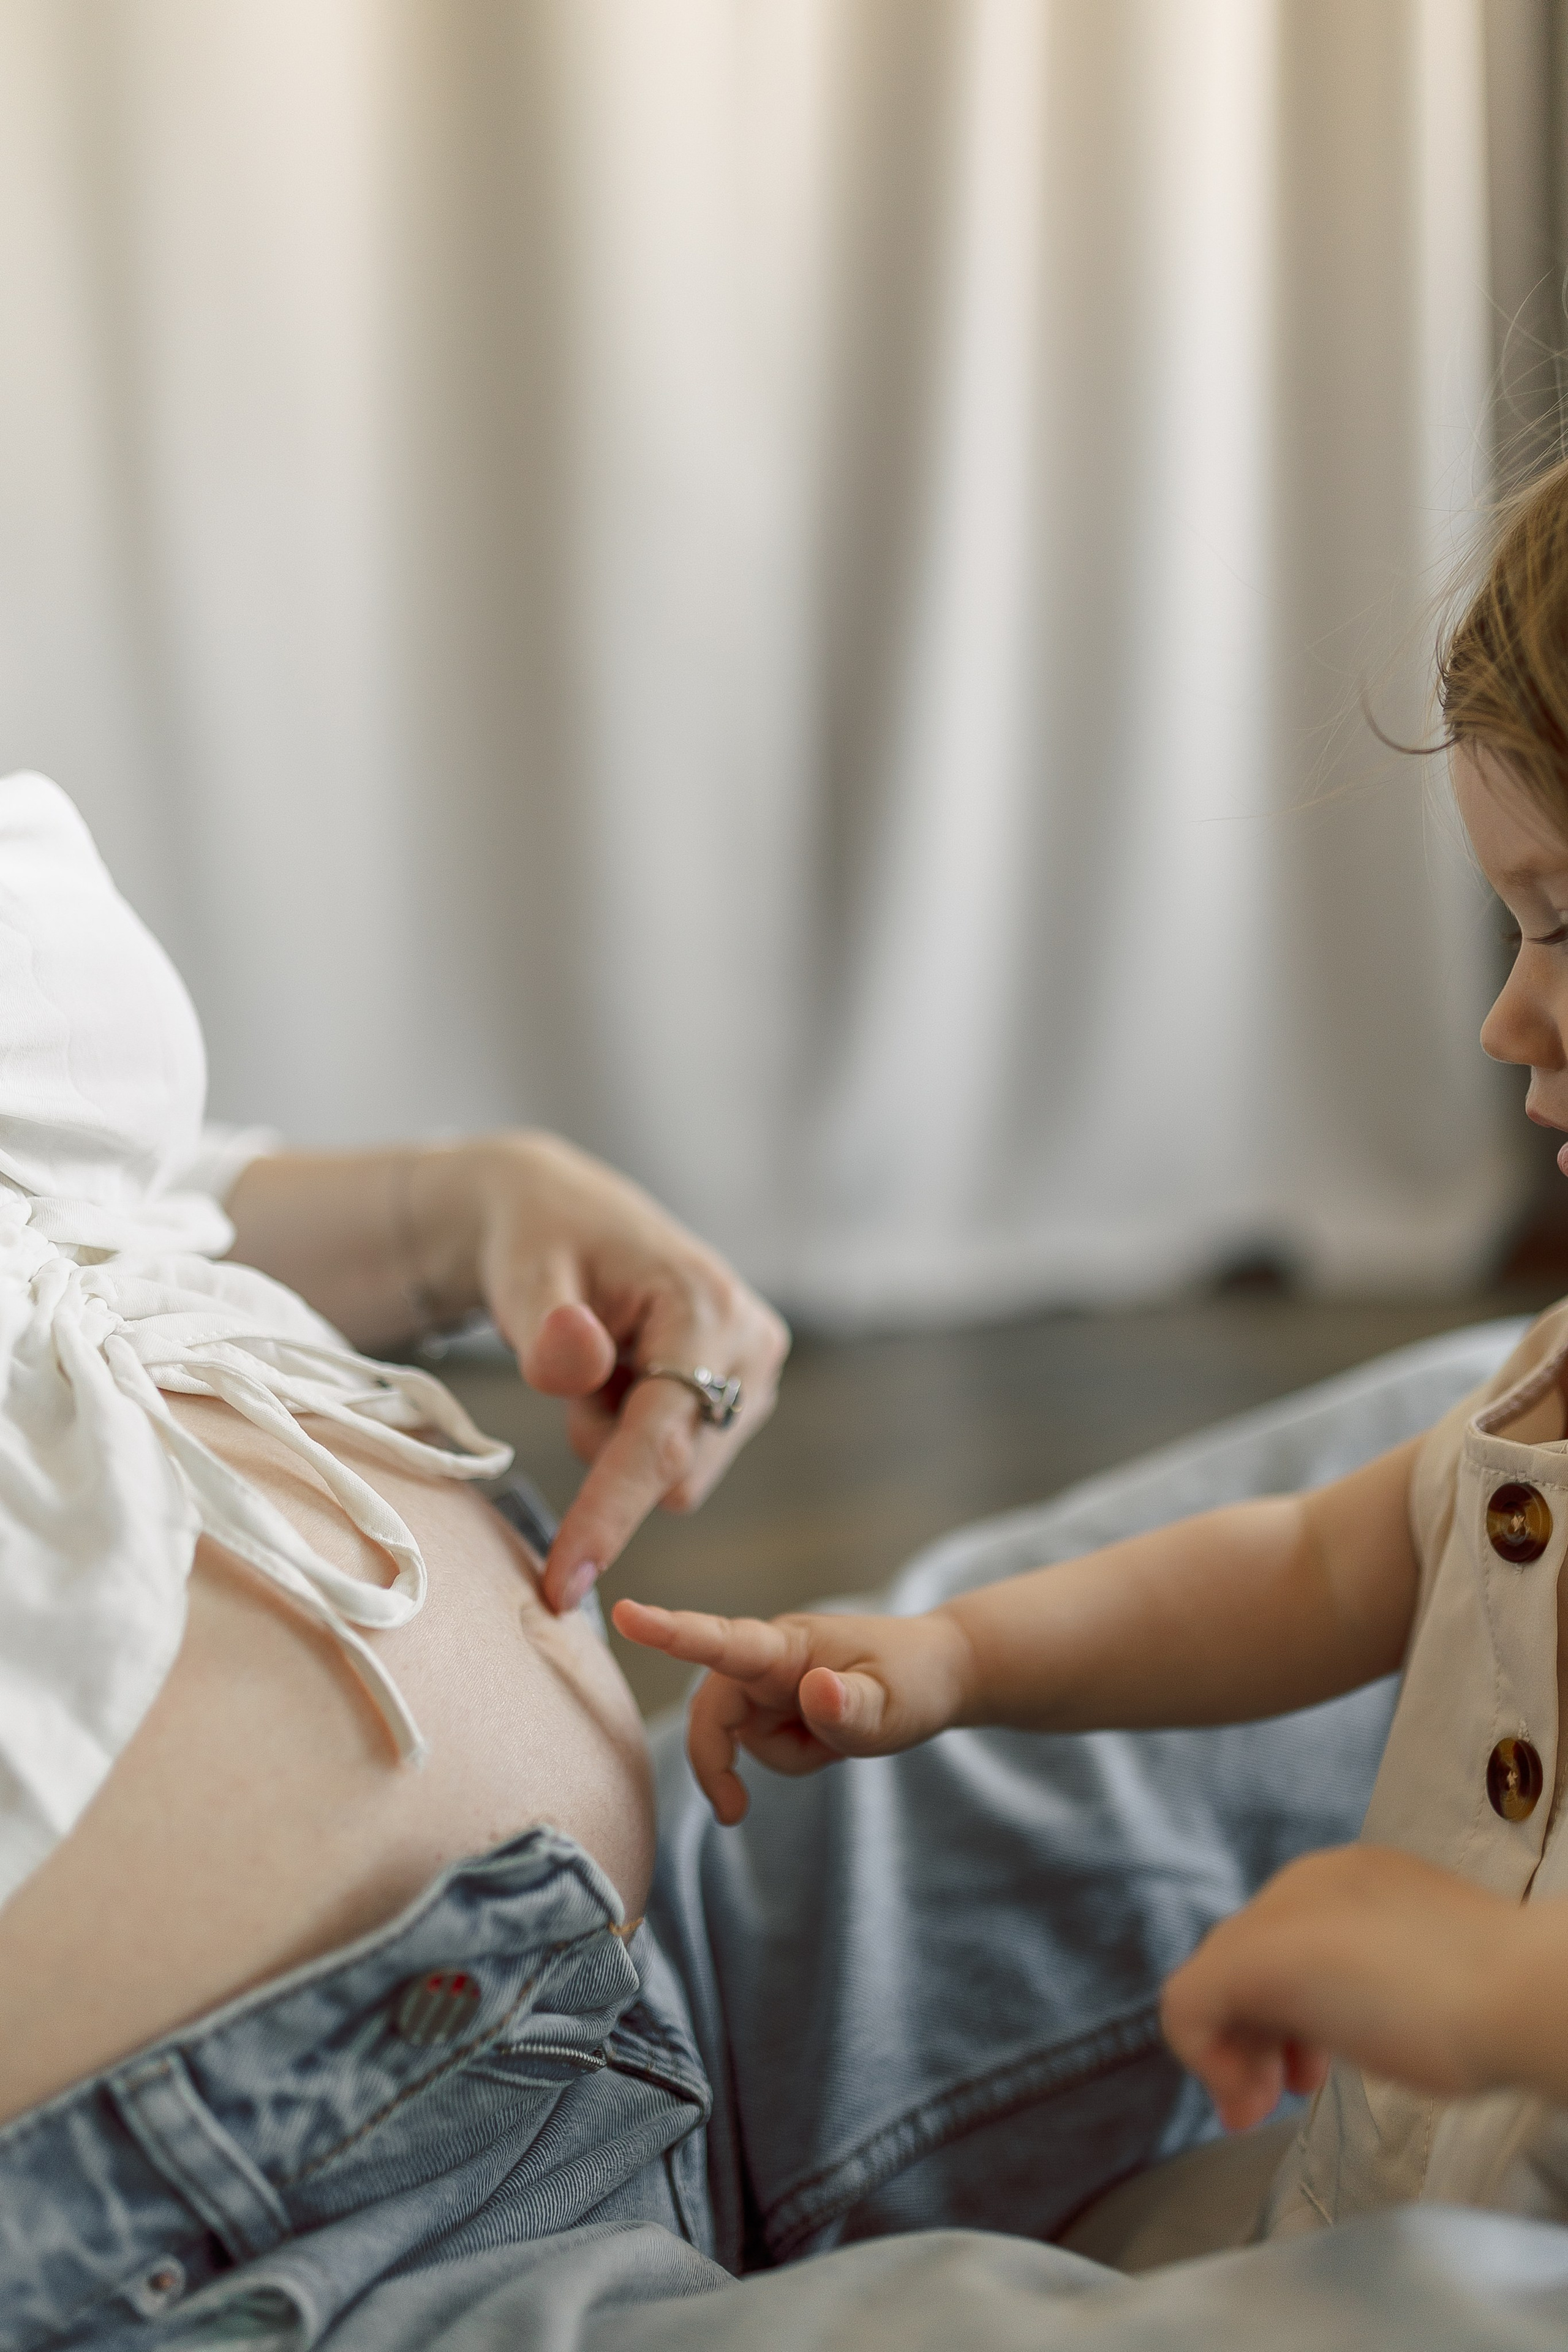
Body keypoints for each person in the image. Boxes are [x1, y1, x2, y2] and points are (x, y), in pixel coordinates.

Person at [9, 460, 1568, 2352]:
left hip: (629, 1942)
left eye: (1556, 924)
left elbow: (87, 1174)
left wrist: (441, 1206)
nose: (1503, 1020)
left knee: (1458, 1414)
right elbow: (1339, 1554)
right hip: (234, 2252)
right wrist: (964, 1656)